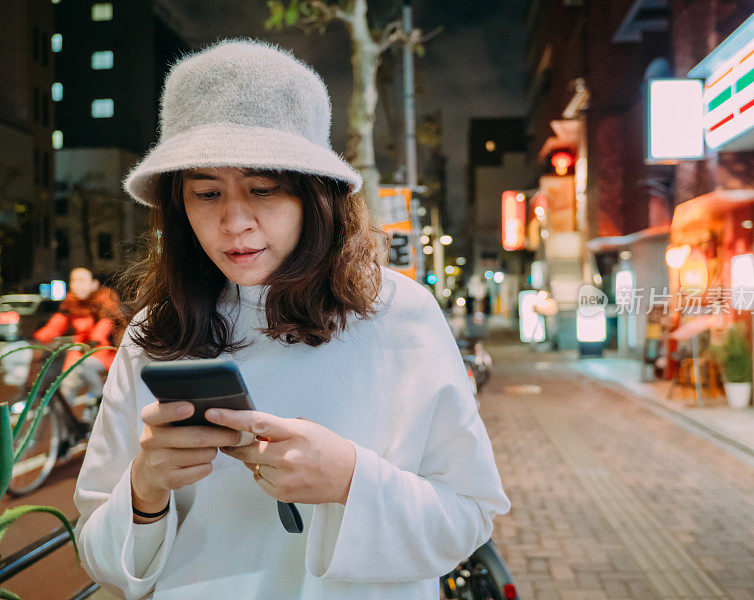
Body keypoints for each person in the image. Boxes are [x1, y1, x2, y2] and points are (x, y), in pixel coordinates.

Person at [74, 40, 509, 600]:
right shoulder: (155, 333)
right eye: (206, 192)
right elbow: (97, 554)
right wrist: (144, 489)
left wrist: (351, 480)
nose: (234, 221)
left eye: (263, 189)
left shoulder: (399, 316)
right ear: (178, 207)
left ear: (316, 196)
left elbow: (469, 516)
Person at [32, 267, 123, 402]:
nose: (76, 285)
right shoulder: (71, 303)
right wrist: (37, 339)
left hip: (103, 351)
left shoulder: (106, 300)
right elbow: (56, 325)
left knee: (83, 367)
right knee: (66, 381)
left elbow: (105, 325)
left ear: (94, 283)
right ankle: (67, 416)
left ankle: (100, 397)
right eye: (73, 280)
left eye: (81, 280)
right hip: (80, 351)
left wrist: (95, 340)